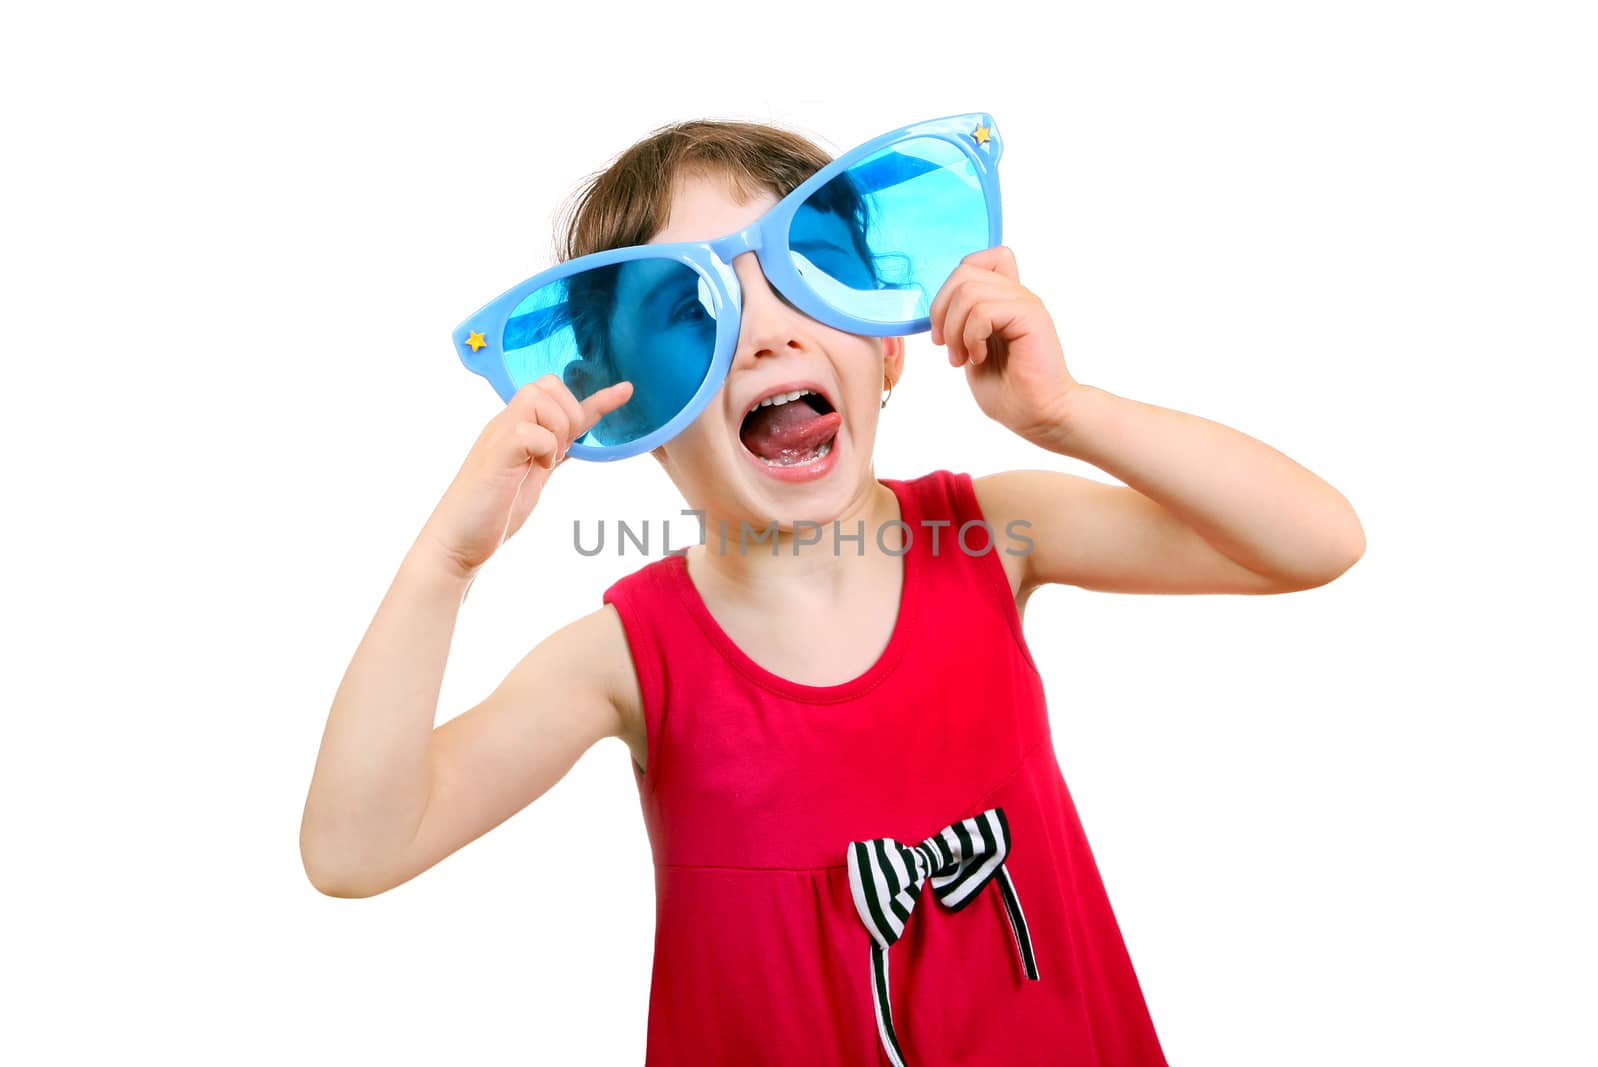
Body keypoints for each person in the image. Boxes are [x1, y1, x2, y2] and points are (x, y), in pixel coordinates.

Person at [300, 116, 1366, 1066]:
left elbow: (1314, 540)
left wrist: (1065, 412)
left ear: (888, 352)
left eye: (805, 274)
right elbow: (357, 847)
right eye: (690, 313)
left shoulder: (991, 534)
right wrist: (447, 559)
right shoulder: (628, 656)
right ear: (629, 412)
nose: (767, 332)